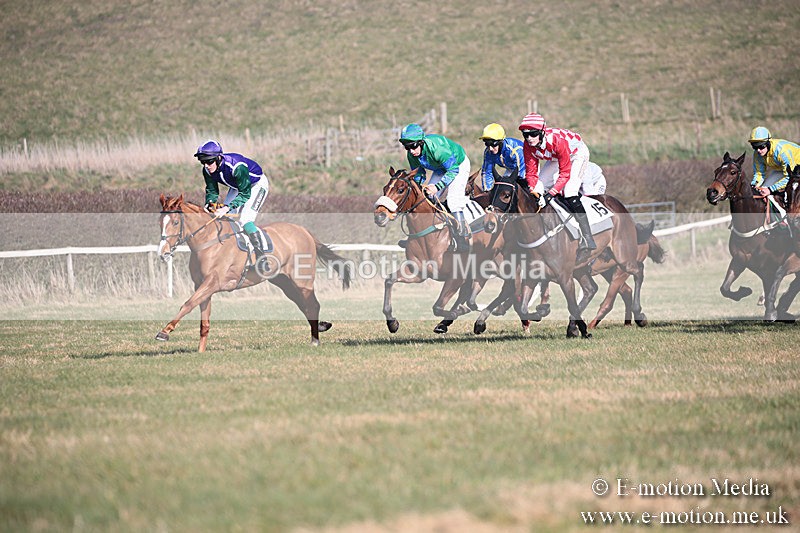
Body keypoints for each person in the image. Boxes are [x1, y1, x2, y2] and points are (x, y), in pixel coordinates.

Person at [518, 112, 596, 261]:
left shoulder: (557, 141)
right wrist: (536, 192)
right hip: (555, 156)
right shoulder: (528, 146)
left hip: (576, 154)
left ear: (541, 131)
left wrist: (549, 195)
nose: (529, 138)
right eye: (525, 134)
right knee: (539, 186)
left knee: (570, 191)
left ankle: (588, 237)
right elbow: (531, 174)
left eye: (533, 134)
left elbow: (565, 174)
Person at [194, 140, 270, 264]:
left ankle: (262, 258)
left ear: (218, 158)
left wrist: (227, 207)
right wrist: (210, 203)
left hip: (256, 185)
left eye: (209, 161)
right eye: (202, 162)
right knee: (226, 219)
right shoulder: (207, 170)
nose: (206, 165)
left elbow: (245, 194)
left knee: (245, 219)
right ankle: (236, 255)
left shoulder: (236, 166)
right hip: (237, 186)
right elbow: (212, 191)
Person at [398, 123, 471, 252]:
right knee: (427, 199)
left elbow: (453, 170)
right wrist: (419, 190)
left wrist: (437, 187)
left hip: (458, 165)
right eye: (407, 147)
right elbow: (419, 174)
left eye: (413, 146)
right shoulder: (412, 155)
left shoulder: (437, 149)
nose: (411, 151)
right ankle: (420, 236)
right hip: (439, 168)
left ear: (421, 142)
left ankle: (462, 238)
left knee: (453, 201)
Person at [749, 126, 800, 201]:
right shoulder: (757, 154)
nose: (758, 150)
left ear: (768, 143)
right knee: (762, 191)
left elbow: (789, 177)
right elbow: (759, 174)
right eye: (755, 147)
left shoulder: (782, 152)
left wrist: (770, 189)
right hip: (783, 170)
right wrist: (754, 186)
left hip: (795, 171)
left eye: (761, 146)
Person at [478, 123, 525, 191]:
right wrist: (487, 191)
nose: (490, 148)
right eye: (487, 144)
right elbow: (487, 172)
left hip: (526, 168)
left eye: (493, 144)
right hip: (511, 169)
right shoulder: (488, 152)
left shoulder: (515, 151)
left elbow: (520, 174)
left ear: (500, 142)